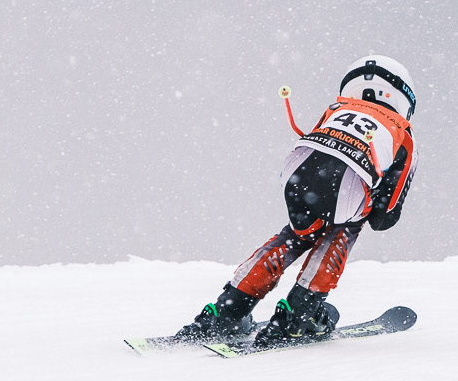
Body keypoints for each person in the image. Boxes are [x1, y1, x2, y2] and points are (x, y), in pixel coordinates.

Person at [173, 56, 418, 347]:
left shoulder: (336, 109)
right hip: (348, 181)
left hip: (297, 170)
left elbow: (322, 152)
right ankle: (301, 312)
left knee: (296, 234)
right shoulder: (403, 133)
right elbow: (385, 216)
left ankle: (228, 311)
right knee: (346, 226)